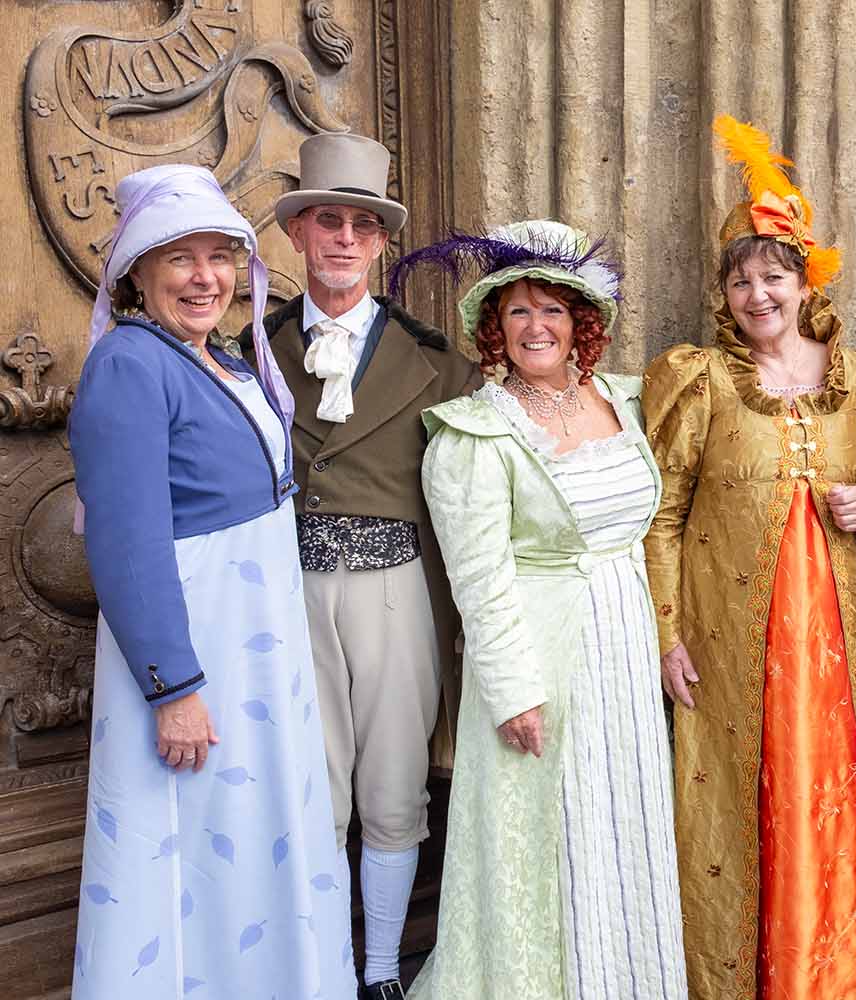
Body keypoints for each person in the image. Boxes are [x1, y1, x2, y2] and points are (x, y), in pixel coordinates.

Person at [68, 164, 355, 999]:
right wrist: (173, 688)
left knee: (248, 833)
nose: (205, 278)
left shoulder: (218, 359)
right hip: (199, 657)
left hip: (255, 655)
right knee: (194, 841)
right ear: (137, 275)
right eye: (178, 259)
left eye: (219, 257)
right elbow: (127, 543)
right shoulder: (129, 364)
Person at [383, 220, 687, 999]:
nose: (536, 326)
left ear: (581, 323)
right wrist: (514, 690)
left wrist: (665, 631)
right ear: (495, 328)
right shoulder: (475, 432)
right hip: (538, 655)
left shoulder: (626, 399)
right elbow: (477, 579)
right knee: (547, 838)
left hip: (622, 645)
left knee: (622, 823)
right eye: (517, 313)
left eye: (552, 310)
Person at [643, 115, 856, 1000]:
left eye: (775, 275)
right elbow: (664, 514)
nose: (759, 294)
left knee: (833, 794)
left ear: (805, 282)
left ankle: (830, 978)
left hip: (838, 638)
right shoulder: (699, 380)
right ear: (725, 295)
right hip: (728, 640)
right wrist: (667, 633)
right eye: (743, 280)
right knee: (737, 804)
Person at [250, 133, 482, 1000]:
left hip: (397, 596)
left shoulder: (440, 366)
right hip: (285, 595)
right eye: (325, 221)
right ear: (299, 234)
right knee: (312, 791)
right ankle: (317, 971)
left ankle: (381, 969)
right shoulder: (249, 351)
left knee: (392, 788)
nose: (343, 239)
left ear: (381, 243)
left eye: (360, 225)